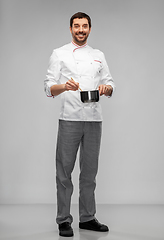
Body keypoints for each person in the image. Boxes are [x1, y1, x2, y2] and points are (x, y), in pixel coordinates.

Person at [44, 12, 115, 237]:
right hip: (69, 118)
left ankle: (87, 218)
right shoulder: (60, 53)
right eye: (77, 26)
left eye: (84, 26)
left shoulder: (98, 55)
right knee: (64, 172)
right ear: (71, 28)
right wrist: (64, 87)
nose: (81, 30)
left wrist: (107, 89)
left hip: (94, 119)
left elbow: (110, 82)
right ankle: (64, 220)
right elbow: (48, 87)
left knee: (89, 172)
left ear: (90, 29)